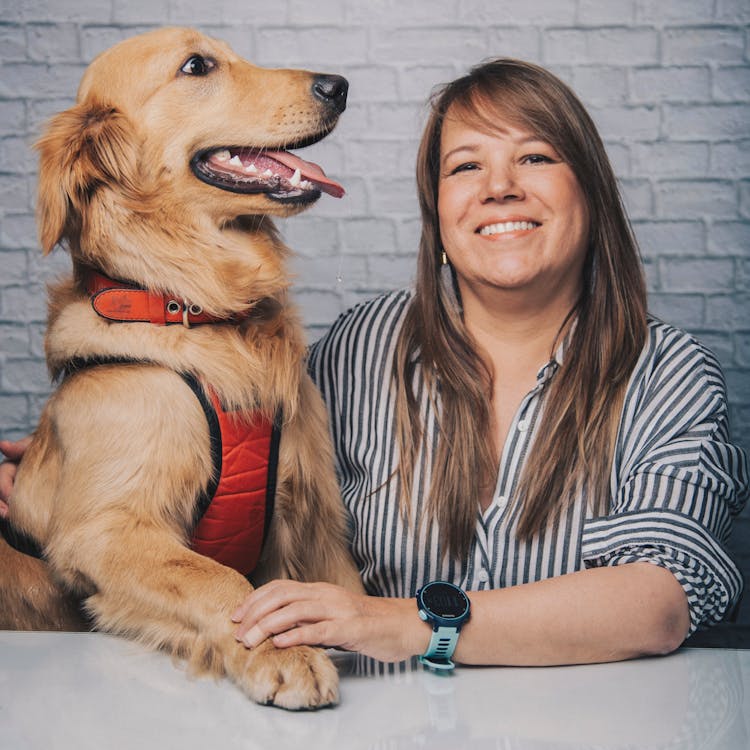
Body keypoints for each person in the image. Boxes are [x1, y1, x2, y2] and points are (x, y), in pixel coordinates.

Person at [1, 59, 747, 668]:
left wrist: (408, 626)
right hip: (365, 727)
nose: (499, 188)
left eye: (536, 157)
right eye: (465, 167)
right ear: (437, 209)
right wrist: (77, 470)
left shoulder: (669, 375)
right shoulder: (362, 348)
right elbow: (239, 470)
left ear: (590, 189)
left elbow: (658, 600)